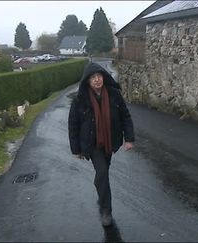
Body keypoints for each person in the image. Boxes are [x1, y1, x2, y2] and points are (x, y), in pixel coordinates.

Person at [68, 62, 135, 227]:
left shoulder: (113, 94)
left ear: (103, 77)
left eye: (99, 76)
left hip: (110, 141)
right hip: (92, 144)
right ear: (87, 81)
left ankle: (100, 186)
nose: (97, 80)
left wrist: (129, 139)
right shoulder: (80, 99)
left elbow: (125, 116)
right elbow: (73, 124)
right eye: (93, 78)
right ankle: (106, 210)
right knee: (103, 172)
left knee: (103, 172)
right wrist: (76, 149)